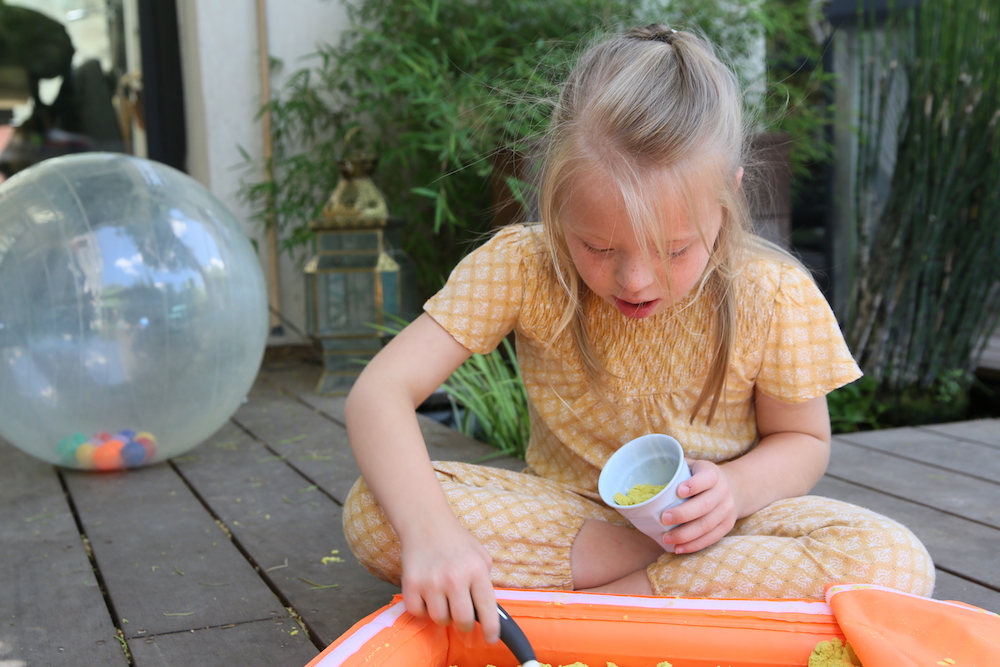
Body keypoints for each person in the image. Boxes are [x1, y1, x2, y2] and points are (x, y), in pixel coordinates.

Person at [342, 23, 934, 645]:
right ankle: (664, 596)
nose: (636, 280)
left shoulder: (770, 291)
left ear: (727, 199)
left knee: (892, 558)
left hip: (725, 528)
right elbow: (379, 392)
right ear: (556, 197)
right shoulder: (521, 265)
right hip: (574, 524)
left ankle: (595, 610)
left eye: (675, 250)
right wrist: (434, 536)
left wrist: (731, 491)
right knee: (378, 512)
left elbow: (803, 440)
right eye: (598, 246)